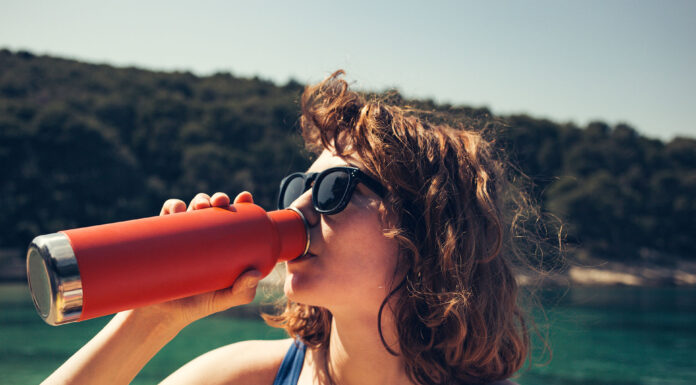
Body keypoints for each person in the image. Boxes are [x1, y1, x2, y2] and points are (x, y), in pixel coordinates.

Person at [42, 71, 532, 385]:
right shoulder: (244, 377)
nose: (298, 207)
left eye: (335, 189)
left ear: (428, 227)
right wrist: (149, 320)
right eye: (300, 185)